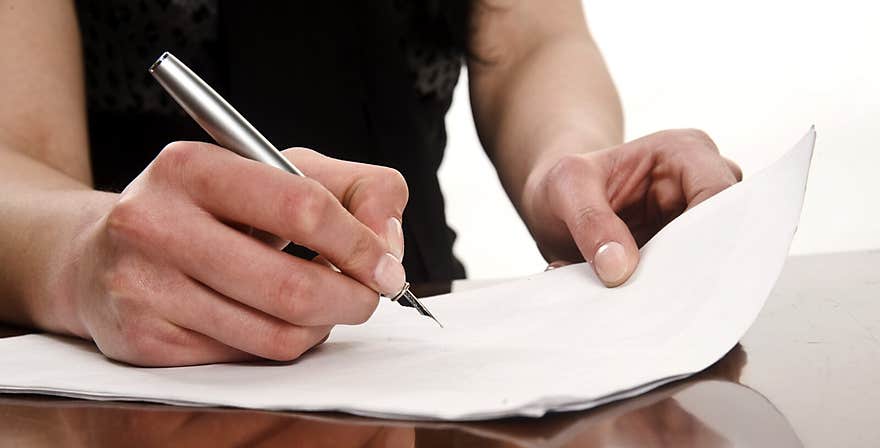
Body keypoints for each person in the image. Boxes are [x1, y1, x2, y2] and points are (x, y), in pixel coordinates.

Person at [0, 0, 742, 366]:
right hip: (119, 358)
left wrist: (569, 161)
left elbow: (530, 40)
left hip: (406, 331)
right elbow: (16, 147)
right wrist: (82, 255)